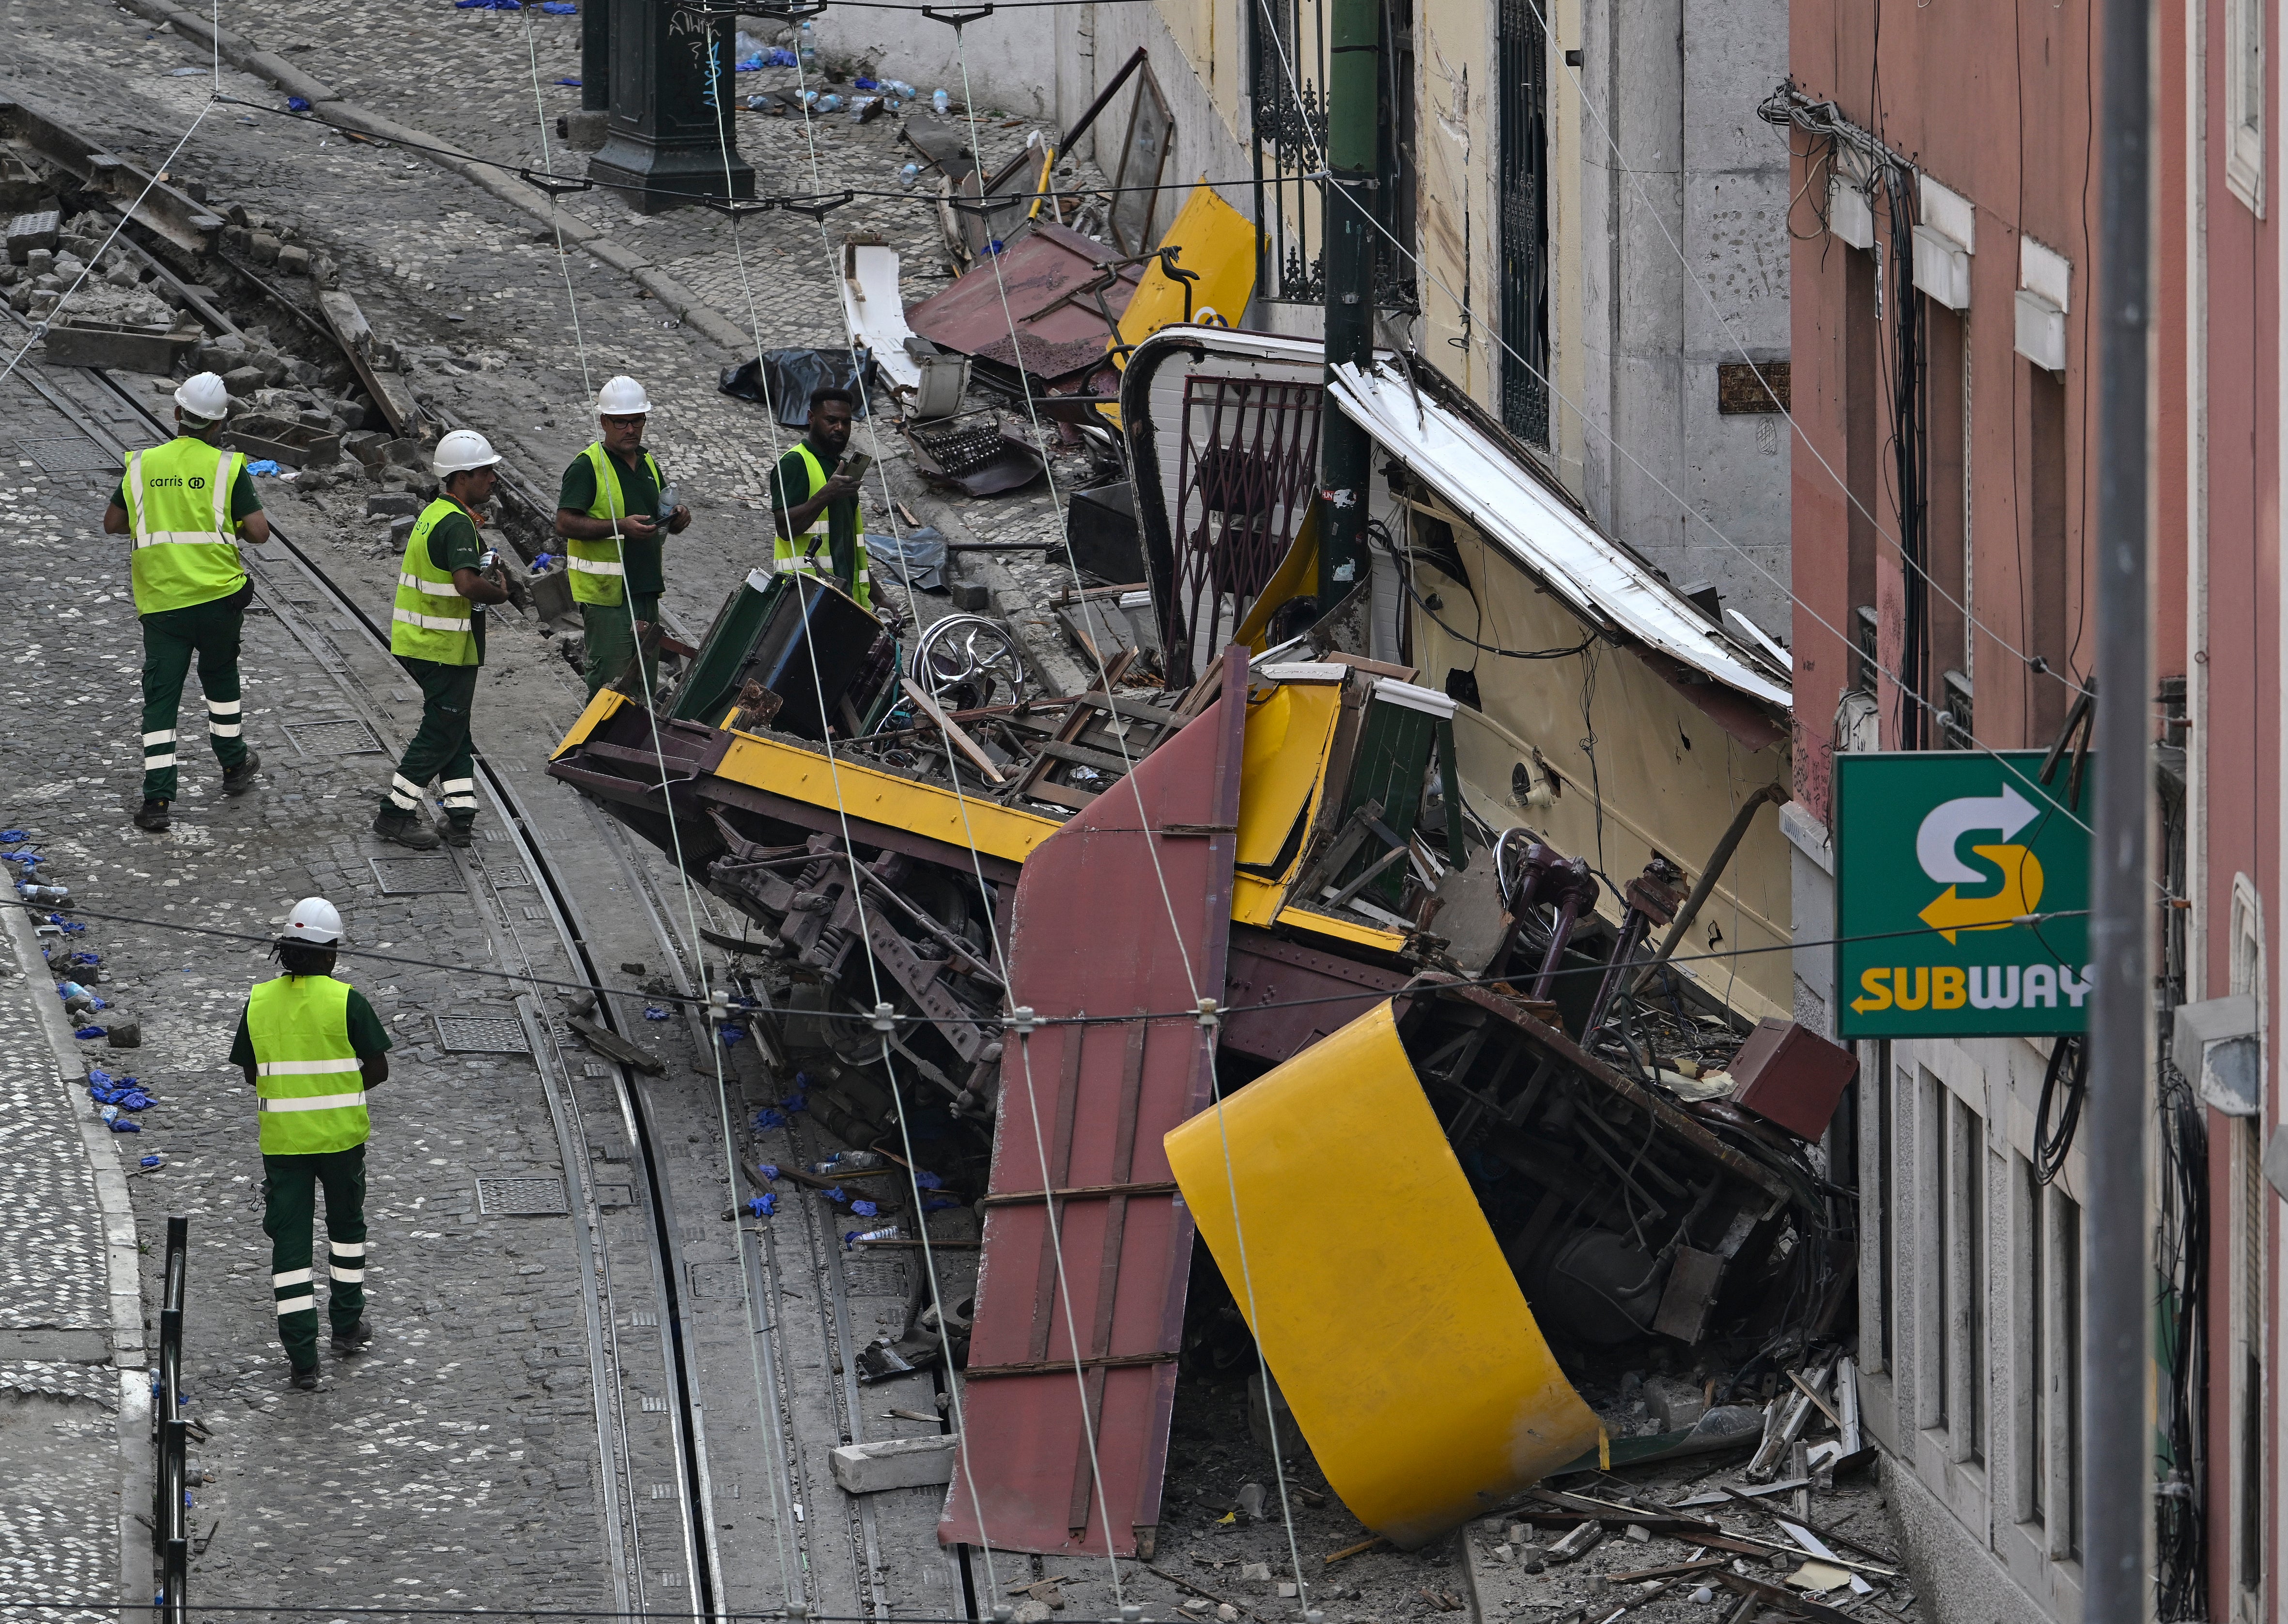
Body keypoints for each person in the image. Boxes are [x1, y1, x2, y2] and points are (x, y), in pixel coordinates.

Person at [229, 897, 392, 1391]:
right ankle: (346, 1327)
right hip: (342, 1142)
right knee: (346, 1232)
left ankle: (303, 1361)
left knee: (291, 1248)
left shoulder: (258, 1002)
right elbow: (379, 1068)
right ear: (330, 954)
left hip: (283, 1145)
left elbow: (250, 1071)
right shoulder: (347, 1002)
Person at [102, 371, 269, 833]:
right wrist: (223, 527)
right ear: (218, 426)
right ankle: (234, 766)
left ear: (177, 413)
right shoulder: (228, 468)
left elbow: (113, 523)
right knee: (221, 681)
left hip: (163, 604)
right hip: (218, 598)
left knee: (161, 697)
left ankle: (157, 801)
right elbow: (259, 532)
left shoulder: (141, 465)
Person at [374, 430, 511, 850]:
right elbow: (467, 584)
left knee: (454, 730)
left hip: (427, 642)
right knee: (440, 731)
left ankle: (461, 817)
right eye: (487, 471)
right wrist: (502, 594)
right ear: (462, 477)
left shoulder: (436, 513)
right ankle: (395, 815)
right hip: (443, 648)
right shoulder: (456, 524)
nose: (493, 479)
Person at [553, 375, 692, 699]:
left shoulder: (647, 463)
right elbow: (564, 523)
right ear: (604, 422)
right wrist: (619, 526)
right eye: (621, 422)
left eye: (637, 420)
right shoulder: (587, 467)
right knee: (610, 688)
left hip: (646, 591)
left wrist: (678, 517)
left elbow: (660, 516)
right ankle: (594, 748)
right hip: (608, 599)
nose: (630, 429)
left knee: (642, 688)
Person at [768, 387, 872, 609]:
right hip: (803, 597)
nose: (840, 428)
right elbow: (785, 529)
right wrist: (827, 494)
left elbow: (848, 546)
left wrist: (880, 597)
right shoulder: (795, 463)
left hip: (840, 598)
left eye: (846, 422)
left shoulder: (840, 468)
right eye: (831, 420)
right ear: (811, 418)